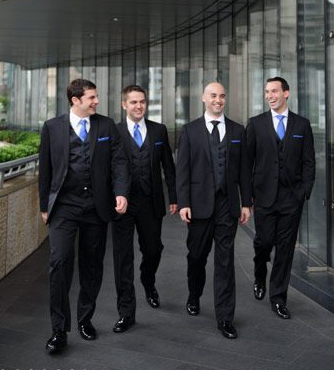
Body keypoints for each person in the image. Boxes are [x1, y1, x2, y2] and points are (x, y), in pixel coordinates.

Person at [39, 78, 130, 353]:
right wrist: (44, 206)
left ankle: (84, 319)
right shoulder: (52, 127)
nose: (97, 101)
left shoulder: (106, 126)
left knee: (92, 266)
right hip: (64, 207)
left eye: (96, 97)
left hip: (96, 207)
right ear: (75, 100)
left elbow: (119, 161)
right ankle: (58, 329)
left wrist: (121, 192)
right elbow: (45, 169)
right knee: (60, 262)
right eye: (91, 97)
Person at [176, 82, 251, 339]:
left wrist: (246, 203)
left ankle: (225, 318)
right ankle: (194, 293)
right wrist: (183, 202)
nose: (218, 100)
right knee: (196, 256)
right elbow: (182, 170)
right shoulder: (189, 131)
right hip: (198, 205)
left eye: (222, 96)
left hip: (226, 205)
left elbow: (244, 171)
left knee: (225, 261)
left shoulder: (238, 130)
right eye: (213, 96)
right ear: (203, 98)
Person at [246, 76, 315, 320]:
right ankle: (259, 272)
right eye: (267, 92)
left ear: (286, 93)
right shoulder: (255, 124)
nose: (270, 96)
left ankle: (278, 298)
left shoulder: (302, 125)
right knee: (264, 243)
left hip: (291, 199)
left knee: (285, 250)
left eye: (274, 91)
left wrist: (303, 192)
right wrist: (247, 198)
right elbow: (247, 163)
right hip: (264, 196)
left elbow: (309, 162)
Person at [111, 85, 177, 333]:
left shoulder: (158, 130)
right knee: (122, 257)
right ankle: (126, 312)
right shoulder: (114, 132)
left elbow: (168, 166)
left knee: (153, 249)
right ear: (124, 105)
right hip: (123, 205)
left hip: (151, 202)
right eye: (134, 102)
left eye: (142, 102)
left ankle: (148, 279)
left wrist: (175, 196)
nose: (139, 106)